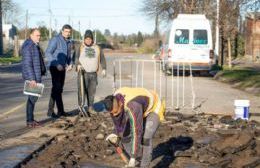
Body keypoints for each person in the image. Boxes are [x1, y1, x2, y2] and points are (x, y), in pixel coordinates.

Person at [90, 87, 165, 168]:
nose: (114, 115)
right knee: (125, 136)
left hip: (153, 109)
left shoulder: (133, 106)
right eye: (112, 112)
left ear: (121, 104)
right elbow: (119, 124)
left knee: (145, 138)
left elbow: (136, 131)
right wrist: (115, 134)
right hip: (138, 107)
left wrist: (133, 156)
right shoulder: (113, 99)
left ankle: (143, 165)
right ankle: (138, 160)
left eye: (116, 112)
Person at [74, 29, 106, 113]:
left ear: (92, 39)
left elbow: (102, 58)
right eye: (86, 39)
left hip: (93, 74)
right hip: (83, 74)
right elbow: (76, 58)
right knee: (82, 91)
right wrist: (78, 64)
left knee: (91, 92)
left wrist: (104, 69)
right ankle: (81, 108)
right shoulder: (80, 47)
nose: (88, 40)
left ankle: (90, 108)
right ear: (84, 39)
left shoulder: (97, 48)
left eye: (90, 39)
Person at [45, 24, 73, 118]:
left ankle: (50, 111)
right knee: (57, 88)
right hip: (54, 67)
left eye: (69, 32)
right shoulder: (55, 39)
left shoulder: (69, 42)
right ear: (62, 31)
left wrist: (70, 64)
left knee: (58, 89)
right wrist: (57, 64)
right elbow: (48, 52)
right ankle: (60, 111)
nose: (67, 33)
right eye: (66, 31)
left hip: (63, 68)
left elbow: (69, 56)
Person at [21, 28, 46, 127]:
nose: (39, 37)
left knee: (32, 98)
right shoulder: (29, 46)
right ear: (31, 35)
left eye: (39, 35)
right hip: (33, 77)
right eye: (37, 35)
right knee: (32, 99)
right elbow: (27, 64)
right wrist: (32, 79)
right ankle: (30, 121)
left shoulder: (34, 45)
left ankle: (30, 120)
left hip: (35, 76)